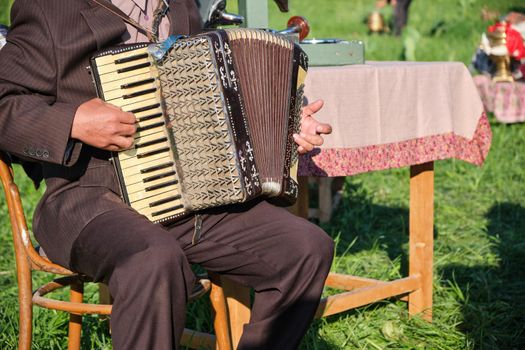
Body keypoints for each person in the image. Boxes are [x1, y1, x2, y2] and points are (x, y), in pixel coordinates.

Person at [0, 0, 334, 349]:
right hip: (88, 197)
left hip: (188, 193)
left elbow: (218, 91)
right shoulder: (51, 8)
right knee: (153, 259)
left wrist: (289, 123)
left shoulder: (181, 5)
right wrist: (73, 122)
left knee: (306, 249)